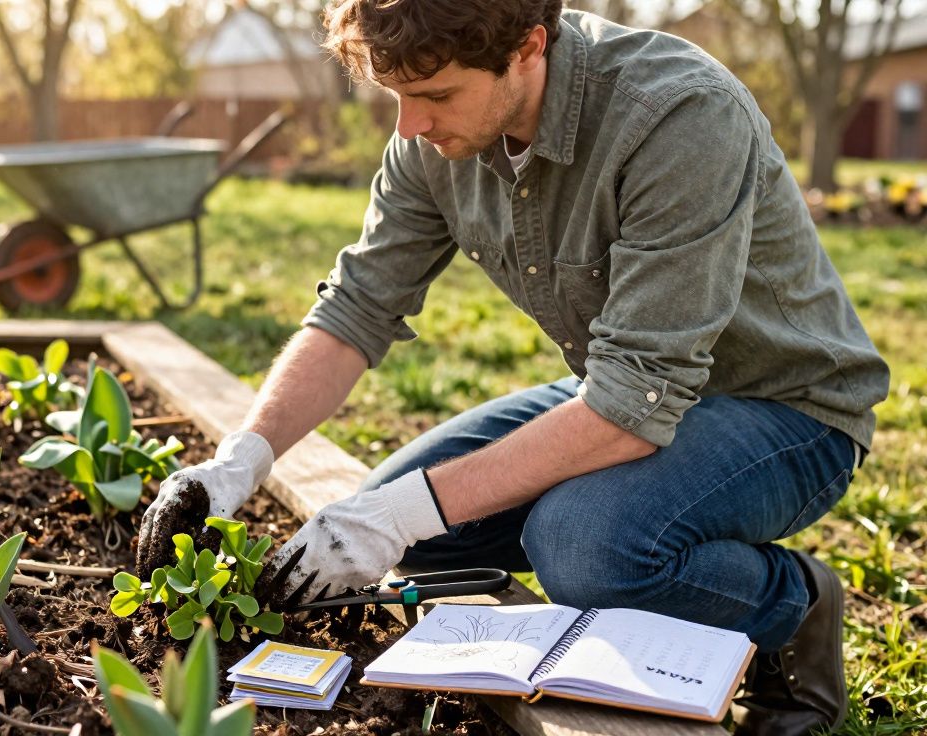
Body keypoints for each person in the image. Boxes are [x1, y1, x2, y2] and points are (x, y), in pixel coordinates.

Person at [136, 2, 889, 733]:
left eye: (434, 96)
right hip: (624, 389)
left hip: (785, 409)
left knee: (582, 547)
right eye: (397, 96)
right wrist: (238, 463)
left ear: (529, 47)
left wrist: (396, 515)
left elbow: (635, 397)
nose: (411, 125)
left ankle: (794, 607)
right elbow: (355, 311)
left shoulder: (678, 115)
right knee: (412, 541)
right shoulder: (433, 139)